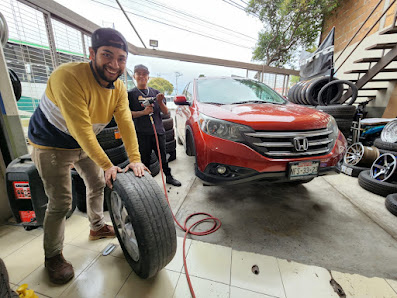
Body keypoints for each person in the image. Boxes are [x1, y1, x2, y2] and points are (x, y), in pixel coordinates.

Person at [27, 28, 147, 285]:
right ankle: (53, 256)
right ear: (91, 53)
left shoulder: (118, 88)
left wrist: (135, 159)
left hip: (84, 143)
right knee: (60, 201)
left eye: (121, 58)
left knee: (98, 182)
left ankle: (96, 226)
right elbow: (80, 129)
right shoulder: (68, 77)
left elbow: (126, 122)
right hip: (50, 143)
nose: (115, 65)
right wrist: (107, 163)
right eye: (107, 55)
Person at [128, 64, 181, 187]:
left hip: (158, 131)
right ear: (134, 76)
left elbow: (166, 111)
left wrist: (159, 101)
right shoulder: (130, 94)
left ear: (148, 76)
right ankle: (146, 184)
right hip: (142, 133)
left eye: (144, 74)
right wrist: (143, 112)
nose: (142, 76)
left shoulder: (155, 92)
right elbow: (126, 115)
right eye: (139, 73)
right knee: (144, 160)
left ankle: (168, 177)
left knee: (163, 158)